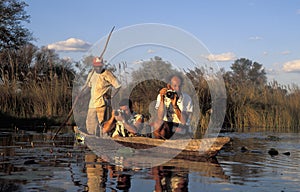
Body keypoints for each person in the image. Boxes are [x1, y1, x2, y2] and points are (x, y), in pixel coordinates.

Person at [85, 57, 121, 136]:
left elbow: (118, 86)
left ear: (102, 65)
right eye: (96, 66)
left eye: (99, 66)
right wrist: (81, 96)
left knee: (102, 124)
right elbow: (89, 87)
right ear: (93, 66)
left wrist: (111, 95)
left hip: (102, 103)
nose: (98, 68)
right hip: (92, 104)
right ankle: (92, 139)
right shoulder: (91, 74)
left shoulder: (107, 74)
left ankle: (102, 139)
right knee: (90, 124)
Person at [153, 74, 193, 139]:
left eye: (179, 86)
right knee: (157, 125)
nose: (177, 89)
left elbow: (183, 121)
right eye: (175, 86)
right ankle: (161, 145)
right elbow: (160, 117)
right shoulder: (162, 96)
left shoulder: (186, 98)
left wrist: (175, 106)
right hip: (167, 126)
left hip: (181, 127)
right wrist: (162, 98)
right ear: (169, 86)